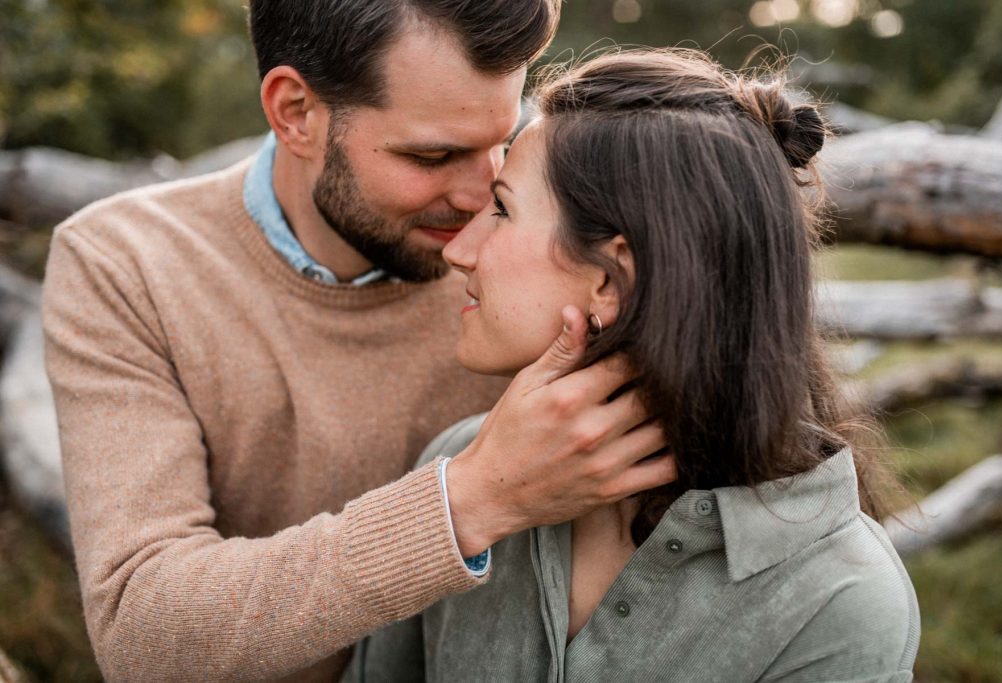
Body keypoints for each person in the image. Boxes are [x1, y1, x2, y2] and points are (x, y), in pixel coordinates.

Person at [39, 3, 677, 682]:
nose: (478, 196)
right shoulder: (124, 264)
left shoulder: (541, 258)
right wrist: (470, 499)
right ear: (295, 112)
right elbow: (141, 633)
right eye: (434, 154)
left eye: (503, 139)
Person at [343, 49, 921, 682]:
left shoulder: (839, 604)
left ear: (611, 279)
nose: (458, 248)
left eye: (503, 209)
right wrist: (470, 505)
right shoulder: (461, 476)